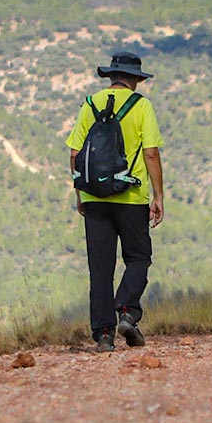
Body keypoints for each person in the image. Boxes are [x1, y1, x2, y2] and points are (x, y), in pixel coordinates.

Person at [66, 51, 165, 352]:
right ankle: (126, 311)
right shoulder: (142, 106)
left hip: (94, 196)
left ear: (110, 77)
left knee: (100, 268)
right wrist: (158, 195)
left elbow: (74, 155)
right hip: (132, 197)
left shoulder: (90, 104)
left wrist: (80, 195)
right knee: (138, 257)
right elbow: (150, 152)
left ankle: (104, 335)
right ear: (135, 79)